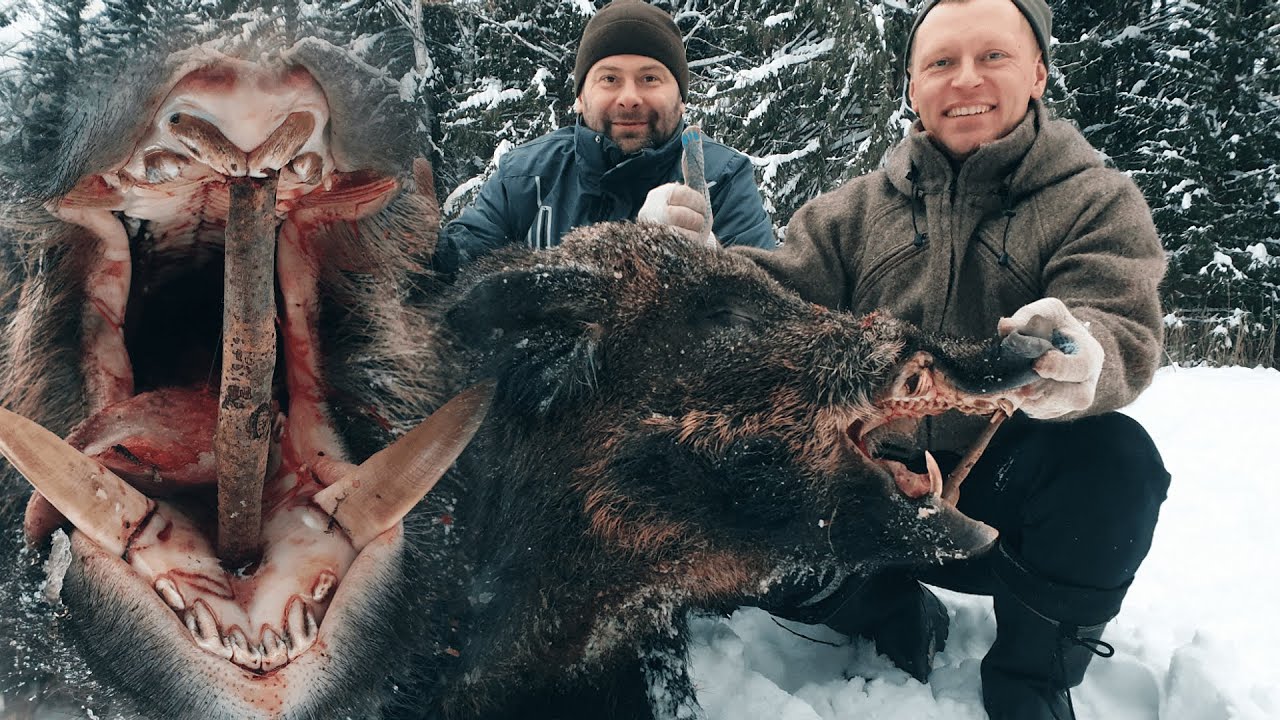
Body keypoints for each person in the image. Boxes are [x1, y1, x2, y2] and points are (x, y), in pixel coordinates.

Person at [735, 0, 1171, 718]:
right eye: (941, 62)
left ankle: (1033, 679)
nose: (965, 79)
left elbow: (1118, 321)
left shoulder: (1094, 202)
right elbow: (768, 307)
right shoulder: (847, 214)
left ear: (1038, 72)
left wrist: (1080, 348)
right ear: (912, 85)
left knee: (1116, 462)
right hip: (865, 492)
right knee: (732, 461)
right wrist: (694, 266)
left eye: (993, 56)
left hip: (1005, 512)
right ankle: (883, 609)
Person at [437, 0, 775, 273]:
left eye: (650, 78)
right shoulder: (525, 176)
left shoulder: (722, 178)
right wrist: (422, 243)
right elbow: (458, 266)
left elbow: (772, 307)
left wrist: (711, 257)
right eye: (609, 79)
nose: (629, 98)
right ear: (580, 98)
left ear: (682, 99)